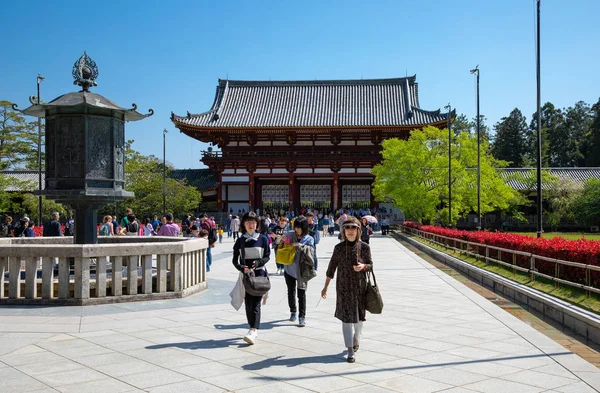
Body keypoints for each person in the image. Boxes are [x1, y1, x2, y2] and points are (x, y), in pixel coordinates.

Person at [321, 216, 373, 363]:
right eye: (347, 228)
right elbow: (331, 268)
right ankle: (350, 349)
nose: (350, 231)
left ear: (358, 230)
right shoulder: (338, 248)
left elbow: (370, 265)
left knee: (358, 318)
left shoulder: (364, 247)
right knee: (346, 319)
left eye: (353, 228)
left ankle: (357, 337)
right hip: (343, 288)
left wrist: (363, 266)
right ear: (344, 231)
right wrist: (325, 287)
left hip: (360, 288)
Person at [232, 212, 271, 345]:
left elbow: (267, 256)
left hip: (259, 275)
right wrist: (242, 268)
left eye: (253, 222)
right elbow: (235, 260)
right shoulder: (240, 240)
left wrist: (259, 263)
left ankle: (253, 330)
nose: (251, 225)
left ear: (257, 224)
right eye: (248, 222)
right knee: (248, 303)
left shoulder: (263, 239)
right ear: (244, 224)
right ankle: (252, 328)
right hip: (246, 276)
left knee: (256, 303)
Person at [273, 216, 315, 327]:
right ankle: (293, 311)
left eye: (299, 228)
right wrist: (278, 239)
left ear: (304, 228)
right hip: (289, 268)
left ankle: (302, 317)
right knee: (291, 291)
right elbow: (277, 243)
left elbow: (311, 252)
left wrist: (301, 246)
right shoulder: (290, 234)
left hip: (302, 270)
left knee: (302, 293)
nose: (297, 230)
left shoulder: (309, 239)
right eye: (296, 227)